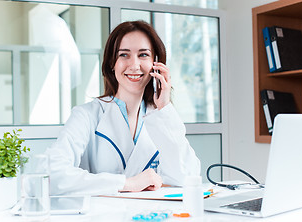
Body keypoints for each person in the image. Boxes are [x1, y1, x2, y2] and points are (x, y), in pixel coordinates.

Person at [46, 20, 200, 196]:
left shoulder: (161, 118)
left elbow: (188, 178)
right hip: (99, 220)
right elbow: (52, 174)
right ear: (112, 63)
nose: (134, 65)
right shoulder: (86, 115)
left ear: (156, 63)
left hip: (151, 219)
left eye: (143, 55)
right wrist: (126, 183)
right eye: (124, 55)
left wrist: (164, 108)